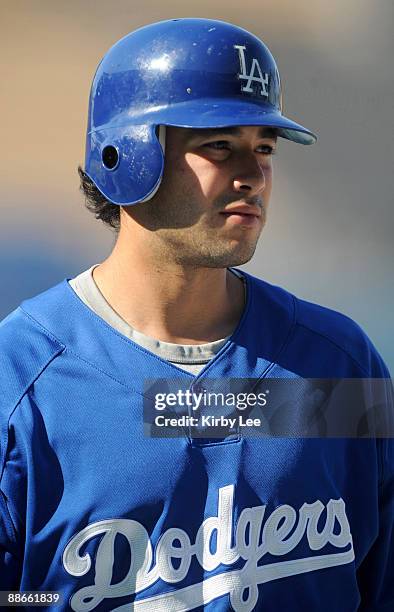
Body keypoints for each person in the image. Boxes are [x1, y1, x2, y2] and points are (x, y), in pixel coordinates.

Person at [0, 18, 393, 612]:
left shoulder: (335, 365)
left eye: (264, 147)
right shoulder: (23, 380)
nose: (254, 174)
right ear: (126, 155)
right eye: (219, 146)